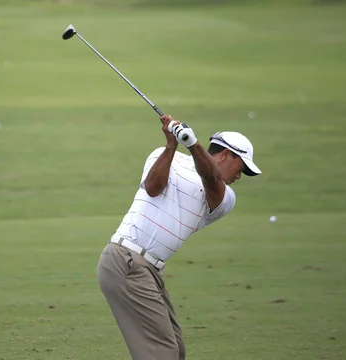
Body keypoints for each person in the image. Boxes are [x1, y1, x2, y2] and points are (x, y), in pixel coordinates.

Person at [97, 114, 262, 360]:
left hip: (149, 270)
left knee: (176, 350)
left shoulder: (226, 197)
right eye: (242, 168)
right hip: (126, 261)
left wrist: (193, 145)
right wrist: (172, 145)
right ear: (226, 155)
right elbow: (153, 188)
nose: (240, 177)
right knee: (164, 353)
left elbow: (211, 178)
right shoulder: (163, 157)